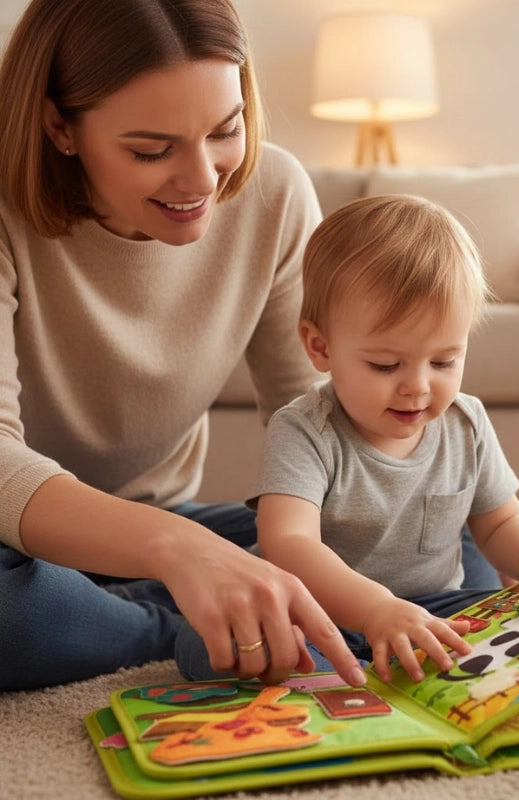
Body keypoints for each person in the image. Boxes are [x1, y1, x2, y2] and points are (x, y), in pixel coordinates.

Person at [0, 0, 370, 691]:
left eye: (224, 131)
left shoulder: (275, 194)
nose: (203, 179)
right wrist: (183, 553)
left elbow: (328, 432)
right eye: (152, 150)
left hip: (167, 521)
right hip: (19, 542)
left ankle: (172, 616)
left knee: (433, 552)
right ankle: (194, 628)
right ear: (59, 126)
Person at [249, 195, 519, 684]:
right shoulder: (304, 430)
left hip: (433, 607)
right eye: (386, 365)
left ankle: (401, 670)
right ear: (320, 347)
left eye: (444, 362)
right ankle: (351, 677)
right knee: (232, 644)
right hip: (324, 613)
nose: (418, 386)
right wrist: (375, 609)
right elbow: (287, 543)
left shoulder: (466, 423)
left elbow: (499, 522)